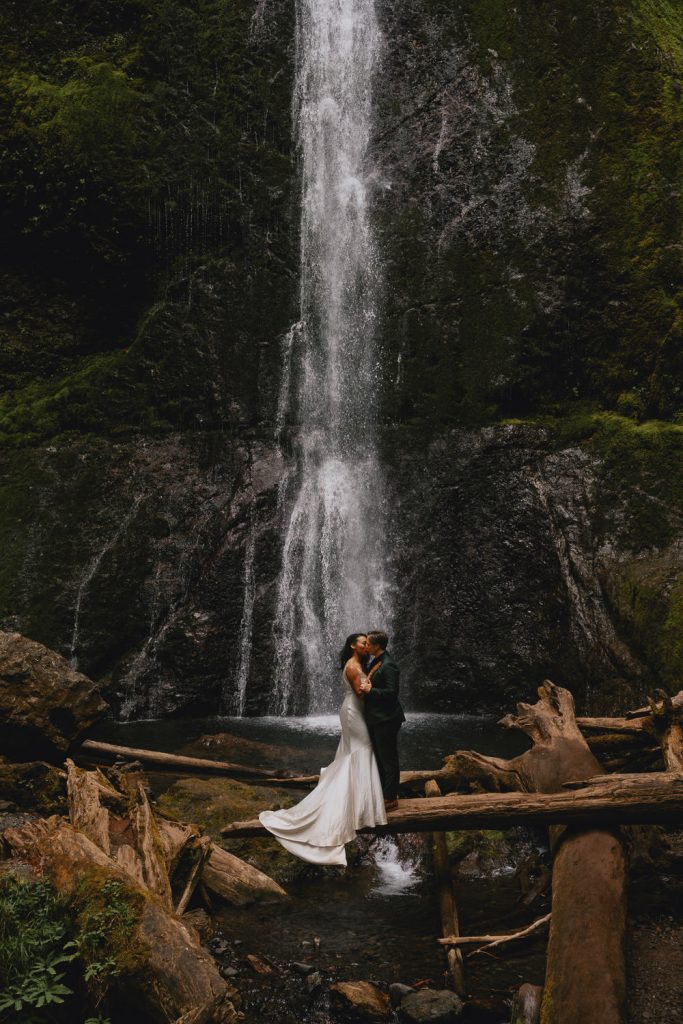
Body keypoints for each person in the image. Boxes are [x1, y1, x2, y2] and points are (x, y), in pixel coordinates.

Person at [258, 633, 387, 865]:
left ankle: (358, 803)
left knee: (354, 754)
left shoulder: (357, 664)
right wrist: (373, 685)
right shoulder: (353, 666)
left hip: (352, 711)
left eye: (368, 642)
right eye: (363, 642)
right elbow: (361, 692)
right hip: (354, 711)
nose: (367, 645)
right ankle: (356, 805)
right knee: (361, 751)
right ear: (352, 645)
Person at [360, 630, 405, 811]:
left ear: (377, 646)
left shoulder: (389, 665)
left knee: (388, 759)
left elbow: (392, 694)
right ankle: (384, 793)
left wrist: (371, 691)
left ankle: (391, 798)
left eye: (368, 644)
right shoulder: (377, 661)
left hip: (387, 719)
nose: (366, 646)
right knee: (380, 757)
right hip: (378, 718)